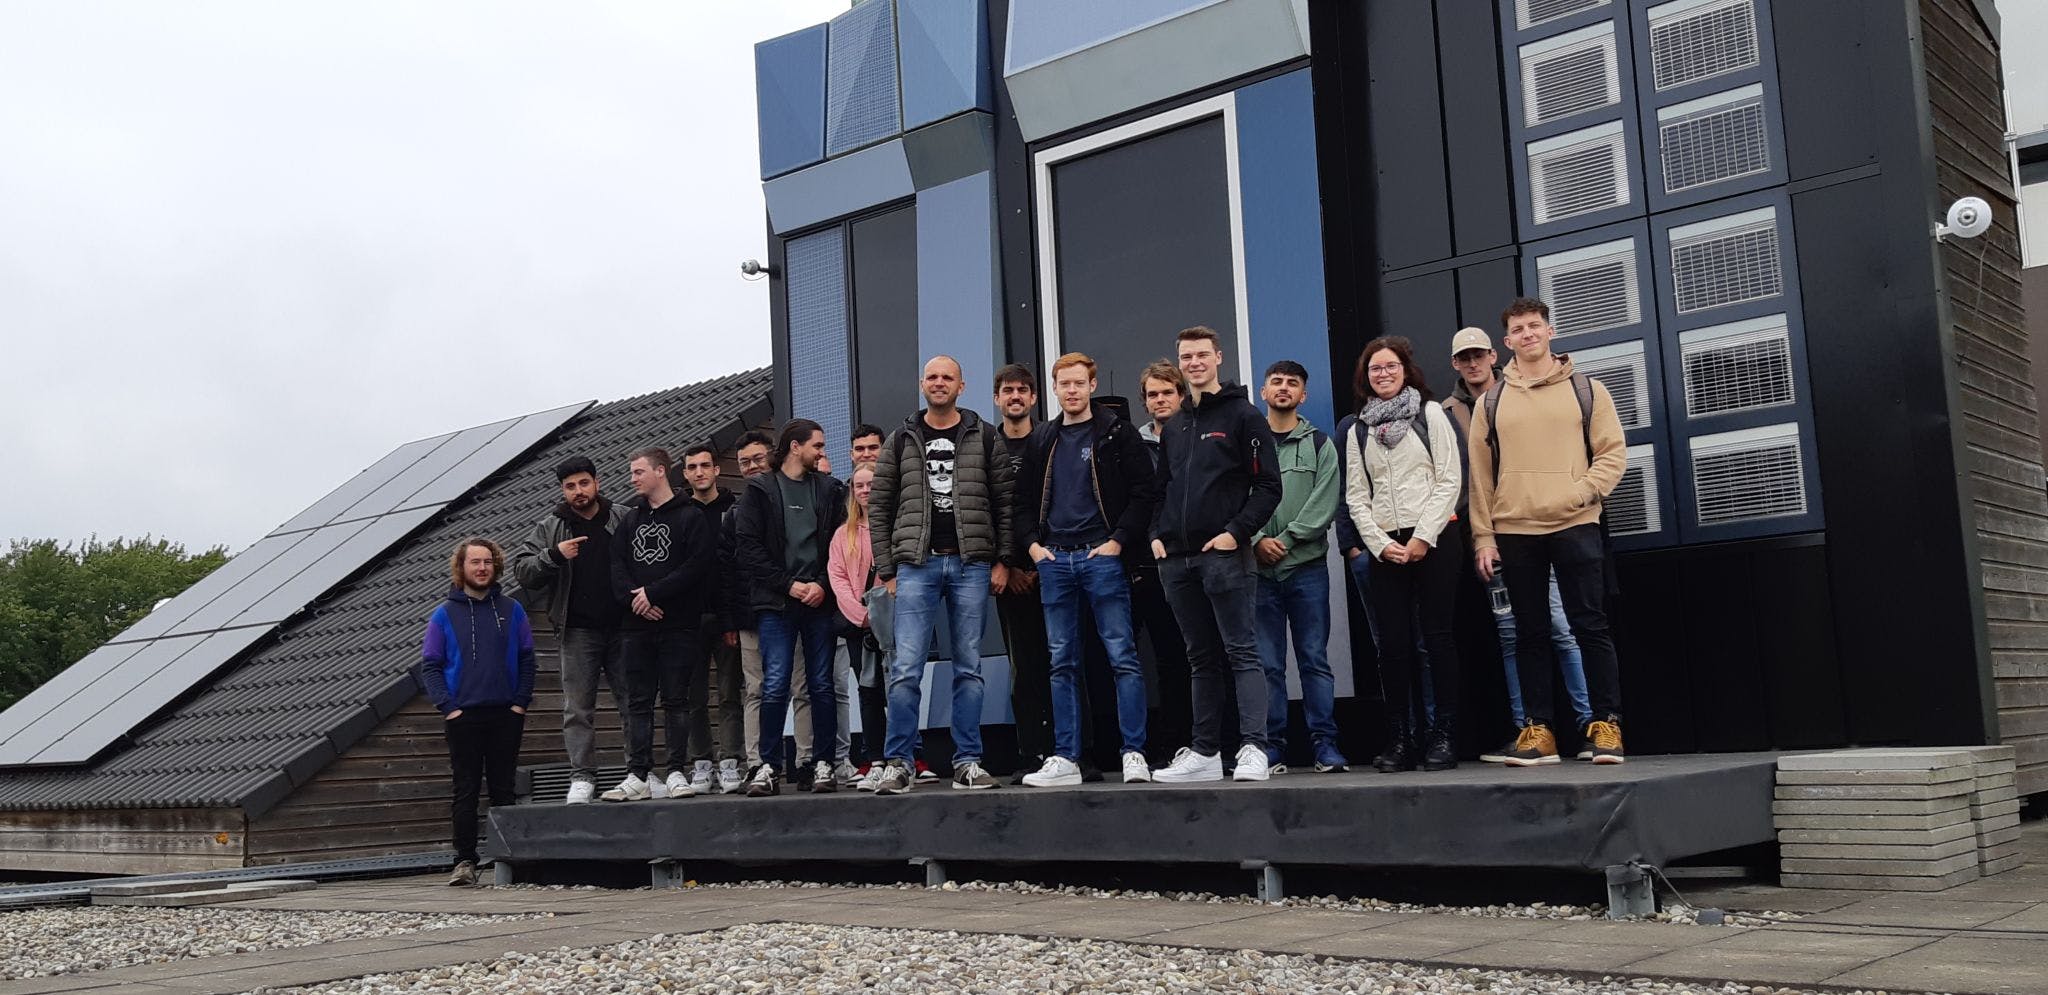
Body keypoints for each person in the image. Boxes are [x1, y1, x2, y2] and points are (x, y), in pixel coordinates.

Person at [1469, 298, 1629, 766]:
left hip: (1576, 523)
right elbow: (1479, 476)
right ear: (1507, 341)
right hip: (1515, 528)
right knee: (1530, 632)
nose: (1527, 334)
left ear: (1550, 331)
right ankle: (1539, 732)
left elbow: (1612, 453)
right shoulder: (1491, 402)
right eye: (1517, 329)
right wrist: (1483, 536)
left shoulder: (1588, 389)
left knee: (1590, 626)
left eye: (1534, 326)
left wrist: (1582, 493)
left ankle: (1607, 726)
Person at [1445, 328, 1596, 763]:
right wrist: (1480, 538)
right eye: (1464, 358)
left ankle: (1590, 726)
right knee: (1511, 635)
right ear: (1455, 364)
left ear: (1494, 355)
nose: (1473, 364)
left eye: (1479, 355)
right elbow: (1464, 483)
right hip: (1493, 539)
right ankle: (1526, 731)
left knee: (1564, 628)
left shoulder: (1522, 395)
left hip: (1544, 528)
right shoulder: (1446, 412)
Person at [868, 355, 1017, 794]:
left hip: (972, 564)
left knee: (969, 668)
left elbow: (1004, 503)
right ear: (921, 384)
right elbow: (878, 506)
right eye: (932, 377)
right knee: (905, 669)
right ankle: (899, 762)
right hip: (916, 566)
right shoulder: (900, 439)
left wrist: (1003, 560)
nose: (939, 383)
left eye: (947, 377)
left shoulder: (985, 437)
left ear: (961, 386)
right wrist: (887, 569)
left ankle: (968, 761)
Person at [1016, 352, 1158, 786]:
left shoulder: (1117, 432)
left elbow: (1143, 492)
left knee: (1122, 658)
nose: (1072, 391)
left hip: (1102, 557)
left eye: (1080, 383)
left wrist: (1117, 542)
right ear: (1055, 389)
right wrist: (1034, 548)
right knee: (1061, 662)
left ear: (1092, 386)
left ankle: (1134, 753)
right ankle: (1067, 758)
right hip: (1056, 559)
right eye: (1065, 384)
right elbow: (1021, 502)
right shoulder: (1043, 438)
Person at [1148, 326, 1282, 783]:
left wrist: (1235, 533)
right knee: (1200, 658)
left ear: (1219, 357)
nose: (1194, 362)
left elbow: (1268, 487)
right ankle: (1205, 752)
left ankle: (1253, 749)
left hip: (1224, 555)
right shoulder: (1177, 425)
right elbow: (1161, 487)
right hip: (1177, 561)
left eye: (1202, 354)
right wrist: (1155, 535)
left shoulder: (1244, 416)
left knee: (1242, 651)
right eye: (1186, 356)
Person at [1346, 337, 1464, 772]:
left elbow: (1450, 481)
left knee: (1437, 640)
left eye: (1390, 366)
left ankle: (1444, 737)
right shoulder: (1358, 429)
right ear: (1366, 376)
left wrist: (1422, 538)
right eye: (1375, 369)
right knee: (1392, 647)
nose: (1383, 374)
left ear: (1405, 370)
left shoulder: (1430, 414)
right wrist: (1380, 544)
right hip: (1386, 547)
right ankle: (1401, 740)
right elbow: (1357, 497)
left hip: (1434, 540)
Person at [735, 420, 847, 795]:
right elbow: (747, 549)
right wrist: (789, 585)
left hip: (819, 601)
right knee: (775, 684)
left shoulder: (829, 490)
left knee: (821, 684)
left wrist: (821, 585)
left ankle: (823, 764)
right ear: (795, 446)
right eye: (817, 445)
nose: (822, 452)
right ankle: (767, 767)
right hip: (776, 603)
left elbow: (842, 547)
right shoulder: (759, 491)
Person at [509, 457, 629, 805]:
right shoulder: (552, 527)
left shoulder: (622, 517)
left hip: (624, 628)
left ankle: (640, 770)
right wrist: (554, 556)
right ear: (563, 490)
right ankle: (582, 776)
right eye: (570, 486)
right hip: (577, 630)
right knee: (577, 709)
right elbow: (523, 570)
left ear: (597, 482)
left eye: (583, 483)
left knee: (633, 703)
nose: (578, 491)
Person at [602, 447, 716, 801]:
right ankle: (638, 774)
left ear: (661, 472)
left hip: (679, 625)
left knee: (676, 700)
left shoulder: (690, 517)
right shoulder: (629, 521)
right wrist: (637, 601)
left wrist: (653, 593)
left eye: (638, 472)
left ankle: (677, 772)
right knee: (638, 701)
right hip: (635, 629)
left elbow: (697, 566)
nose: (632, 479)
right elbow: (616, 565)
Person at [420, 537, 535, 886]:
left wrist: (519, 704)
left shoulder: (513, 610)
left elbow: (528, 658)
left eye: (487, 562)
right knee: (466, 790)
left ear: (495, 565)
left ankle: (510, 861)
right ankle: (465, 863)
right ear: (462, 567)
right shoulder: (443, 615)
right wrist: (449, 708)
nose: (482, 568)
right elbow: (430, 666)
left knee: (504, 789)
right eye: (475, 562)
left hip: (505, 713)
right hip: (464, 717)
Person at [1252, 361, 1347, 775]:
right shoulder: (1247, 445)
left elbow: (1325, 502)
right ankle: (1273, 748)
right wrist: (1256, 541)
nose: (1284, 388)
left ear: (1303, 395)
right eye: (1277, 382)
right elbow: (1234, 497)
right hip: (1258, 573)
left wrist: (1286, 541)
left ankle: (1325, 746)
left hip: (1306, 570)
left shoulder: (1320, 443)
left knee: (1313, 660)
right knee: (1268, 665)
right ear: (1263, 391)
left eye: (1293, 384)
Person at [990, 363, 1066, 783]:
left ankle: (1071, 751)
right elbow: (984, 512)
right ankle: (1031, 754)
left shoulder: (1051, 441)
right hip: (1010, 578)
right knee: (1026, 669)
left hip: (1058, 569)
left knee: (1067, 661)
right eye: (1007, 390)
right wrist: (1008, 565)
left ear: (1035, 398)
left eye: (1022, 389)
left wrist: (1046, 560)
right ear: (998, 398)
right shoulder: (987, 448)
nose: (1015, 396)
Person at [1134, 361, 1194, 760]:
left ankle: (1203, 743)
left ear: (1181, 396)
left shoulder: (1197, 436)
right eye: (1153, 394)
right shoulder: (1133, 446)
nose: (1160, 400)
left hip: (1192, 560)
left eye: (1167, 392)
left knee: (1195, 655)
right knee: (1159, 659)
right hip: (1145, 566)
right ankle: (1167, 745)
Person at [677, 444, 745, 793]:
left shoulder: (734, 509)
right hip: (687, 619)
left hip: (726, 615)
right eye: (693, 467)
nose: (700, 471)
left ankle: (731, 760)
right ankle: (701, 763)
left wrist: (731, 617)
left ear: (717, 470)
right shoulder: (677, 513)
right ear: (685, 474)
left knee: (731, 693)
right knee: (693, 697)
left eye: (706, 465)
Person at [828, 463, 893, 789]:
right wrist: (859, 614)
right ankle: (876, 758)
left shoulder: (894, 526)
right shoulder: (843, 534)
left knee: (897, 689)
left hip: (892, 622)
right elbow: (837, 577)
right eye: (859, 486)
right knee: (868, 692)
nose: (865, 491)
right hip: (859, 624)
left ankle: (900, 755)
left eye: (871, 485)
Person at [722, 431, 775, 789]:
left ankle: (811, 760)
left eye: (758, 458)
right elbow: (727, 572)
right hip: (751, 616)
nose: (752, 466)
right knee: (755, 689)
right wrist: (734, 620)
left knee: (805, 688)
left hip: (792, 609)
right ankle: (757, 763)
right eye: (745, 462)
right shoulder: (733, 515)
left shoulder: (792, 499)